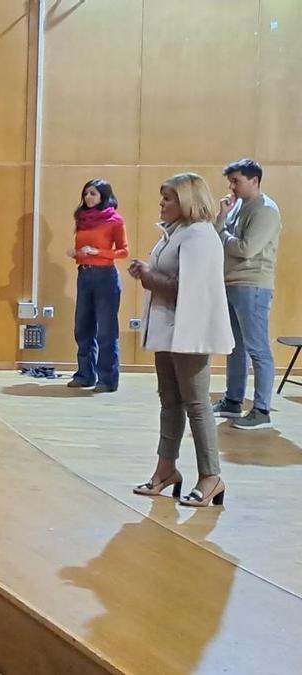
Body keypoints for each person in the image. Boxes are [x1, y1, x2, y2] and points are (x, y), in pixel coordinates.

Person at [129, 173, 233, 508]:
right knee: (170, 402)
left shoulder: (200, 235)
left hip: (191, 332)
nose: (161, 203)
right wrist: (147, 271)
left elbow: (184, 288)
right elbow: (169, 276)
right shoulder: (175, 233)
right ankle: (166, 470)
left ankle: (211, 476)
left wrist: (148, 276)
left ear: (187, 200)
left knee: (197, 404)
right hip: (169, 331)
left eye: (168, 198)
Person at [210, 159, 282, 431]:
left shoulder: (266, 210)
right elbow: (219, 236)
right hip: (231, 282)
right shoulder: (238, 205)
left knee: (257, 349)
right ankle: (232, 401)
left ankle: (262, 410)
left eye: (236, 181)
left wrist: (223, 232)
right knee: (235, 347)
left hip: (253, 286)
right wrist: (222, 217)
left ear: (254, 180)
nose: (232, 187)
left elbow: (246, 249)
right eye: (231, 181)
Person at [65, 179, 128, 392]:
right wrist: (76, 253)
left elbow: (123, 251)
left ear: (103, 196)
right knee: (82, 327)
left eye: (93, 193)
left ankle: (107, 379)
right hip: (84, 275)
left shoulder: (114, 220)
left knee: (106, 331)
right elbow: (84, 248)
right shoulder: (82, 219)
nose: (88, 197)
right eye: (86, 193)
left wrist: (97, 252)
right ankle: (85, 374)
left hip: (105, 277)